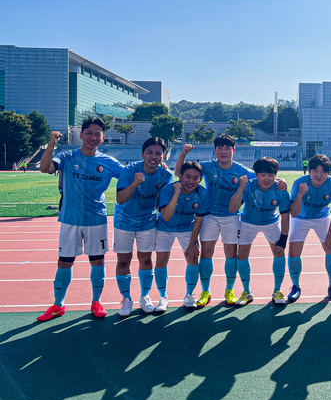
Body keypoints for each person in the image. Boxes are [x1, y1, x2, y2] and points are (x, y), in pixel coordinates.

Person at [175, 136, 285, 307]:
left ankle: (230, 289)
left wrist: (280, 182)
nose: (223, 151)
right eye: (219, 148)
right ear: (215, 150)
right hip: (209, 216)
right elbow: (179, 173)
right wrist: (182, 155)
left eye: (227, 148)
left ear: (234, 150)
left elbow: (264, 178)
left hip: (232, 217)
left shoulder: (242, 171)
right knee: (206, 254)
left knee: (231, 254)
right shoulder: (208, 166)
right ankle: (206, 291)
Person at [37, 118, 124, 322]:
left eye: (98, 134)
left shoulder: (108, 162)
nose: (93, 138)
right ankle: (58, 305)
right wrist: (51, 144)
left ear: (103, 138)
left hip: (97, 219)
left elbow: (131, 174)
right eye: (89, 133)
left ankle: (96, 301)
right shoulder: (67, 156)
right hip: (70, 220)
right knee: (64, 262)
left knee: (97, 261)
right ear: (81, 134)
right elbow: (44, 168)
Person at [113, 138, 173, 316]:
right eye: (149, 152)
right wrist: (134, 184)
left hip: (147, 222)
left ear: (162, 156)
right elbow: (120, 199)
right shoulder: (129, 171)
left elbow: (162, 201)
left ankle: (145, 296)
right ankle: (126, 299)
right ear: (142, 154)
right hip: (124, 221)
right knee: (123, 260)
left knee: (146, 260)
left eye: (158, 153)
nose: (153, 157)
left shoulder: (165, 175)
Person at [228, 157, 291, 306]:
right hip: (248, 222)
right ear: (256, 175)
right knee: (242, 253)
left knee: (279, 252)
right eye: (262, 175)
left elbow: (285, 218)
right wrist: (241, 188)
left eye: (270, 175)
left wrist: (282, 241)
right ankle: (247, 292)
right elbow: (232, 208)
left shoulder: (280, 189)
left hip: (271, 222)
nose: (267, 178)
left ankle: (277, 290)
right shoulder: (249, 186)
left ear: (275, 175)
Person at [288, 154, 331, 301]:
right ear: (309, 171)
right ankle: (295, 286)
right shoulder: (299, 183)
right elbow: (293, 212)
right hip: (300, 218)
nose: (319, 175)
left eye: (323, 171)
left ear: (328, 173)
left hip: (322, 217)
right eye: (315, 171)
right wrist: (300, 194)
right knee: (294, 252)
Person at [157, 161, 210, 308]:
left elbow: (198, 221)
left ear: (200, 179)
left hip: (187, 228)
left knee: (193, 258)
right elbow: (166, 216)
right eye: (187, 177)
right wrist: (177, 193)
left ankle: (189, 295)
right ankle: (163, 298)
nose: (191, 181)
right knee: (161, 260)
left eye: (195, 178)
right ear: (180, 176)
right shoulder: (168, 190)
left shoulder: (202, 193)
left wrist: (193, 244)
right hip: (164, 227)